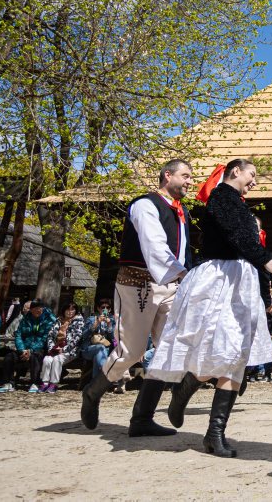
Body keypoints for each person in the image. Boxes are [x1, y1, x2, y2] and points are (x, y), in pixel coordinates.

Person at [148, 158, 272, 458]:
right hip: (219, 281)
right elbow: (238, 237)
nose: (254, 182)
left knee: (236, 355)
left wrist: (263, 280)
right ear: (236, 171)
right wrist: (266, 259)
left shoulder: (236, 202)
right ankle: (188, 388)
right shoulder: (222, 198)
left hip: (239, 281)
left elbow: (244, 242)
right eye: (252, 175)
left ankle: (213, 432)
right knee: (218, 349)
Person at [81, 158, 193, 438]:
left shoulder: (182, 213)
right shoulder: (145, 205)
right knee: (131, 352)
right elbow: (154, 245)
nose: (190, 181)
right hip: (138, 285)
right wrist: (181, 273)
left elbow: (184, 252)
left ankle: (142, 417)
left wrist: (187, 275)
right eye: (186, 176)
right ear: (167, 176)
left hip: (171, 287)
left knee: (168, 350)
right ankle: (93, 391)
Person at [8, 299, 55, 392]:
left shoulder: (49, 319)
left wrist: (31, 350)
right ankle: (9, 383)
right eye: (35, 308)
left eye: (40, 308)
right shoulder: (25, 319)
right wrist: (22, 349)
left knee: (35, 357)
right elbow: (18, 335)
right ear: (31, 310)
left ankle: (34, 383)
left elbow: (44, 338)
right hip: (25, 348)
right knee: (9, 357)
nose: (38, 310)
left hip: (40, 348)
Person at [37, 302, 85, 392]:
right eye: (68, 309)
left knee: (57, 359)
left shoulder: (79, 321)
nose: (70, 312)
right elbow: (50, 336)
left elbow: (76, 339)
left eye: (72, 310)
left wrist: (63, 349)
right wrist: (52, 348)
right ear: (64, 311)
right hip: (56, 348)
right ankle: (45, 383)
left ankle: (54, 383)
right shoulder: (58, 320)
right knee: (47, 359)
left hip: (70, 350)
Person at [78, 298, 116, 382]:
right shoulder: (91, 319)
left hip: (106, 350)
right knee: (100, 348)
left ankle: (95, 384)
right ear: (98, 308)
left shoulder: (112, 321)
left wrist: (109, 325)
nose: (105, 309)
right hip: (89, 349)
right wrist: (96, 324)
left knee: (98, 354)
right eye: (103, 307)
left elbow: (114, 338)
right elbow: (83, 335)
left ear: (110, 309)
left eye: (108, 307)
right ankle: (105, 373)